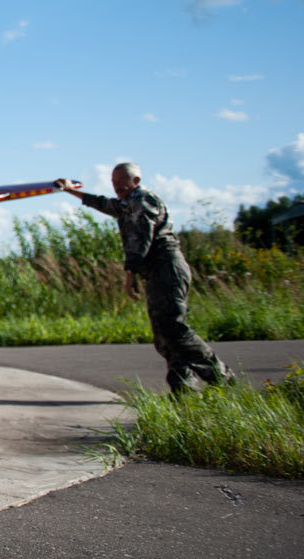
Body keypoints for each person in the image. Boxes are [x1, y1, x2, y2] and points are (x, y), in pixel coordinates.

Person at [55, 165, 231, 393]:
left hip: (167, 267)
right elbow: (103, 203)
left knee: (174, 328)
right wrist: (70, 190)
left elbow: (141, 239)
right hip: (156, 270)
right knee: (163, 334)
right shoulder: (128, 202)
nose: (116, 186)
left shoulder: (144, 200)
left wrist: (130, 275)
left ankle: (220, 376)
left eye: (121, 181)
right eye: (113, 181)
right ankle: (184, 389)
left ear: (136, 180)